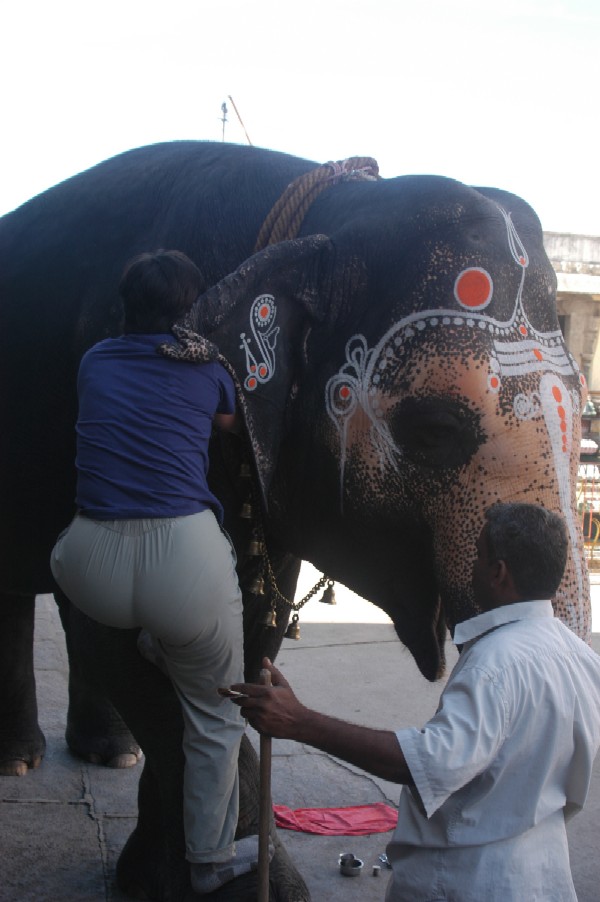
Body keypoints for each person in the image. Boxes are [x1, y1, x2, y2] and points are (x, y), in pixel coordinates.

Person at [230, 502, 600, 901]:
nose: (471, 567)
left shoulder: (496, 666)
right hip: (544, 875)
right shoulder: (582, 658)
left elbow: (426, 763)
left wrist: (299, 721)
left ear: (499, 573)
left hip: (469, 882)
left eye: (479, 556)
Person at [51, 250, 260, 895]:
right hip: (184, 562)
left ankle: (149, 639)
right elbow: (230, 423)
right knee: (215, 717)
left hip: (90, 567)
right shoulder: (208, 370)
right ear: (189, 308)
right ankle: (208, 862)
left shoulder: (94, 362)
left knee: (78, 561)